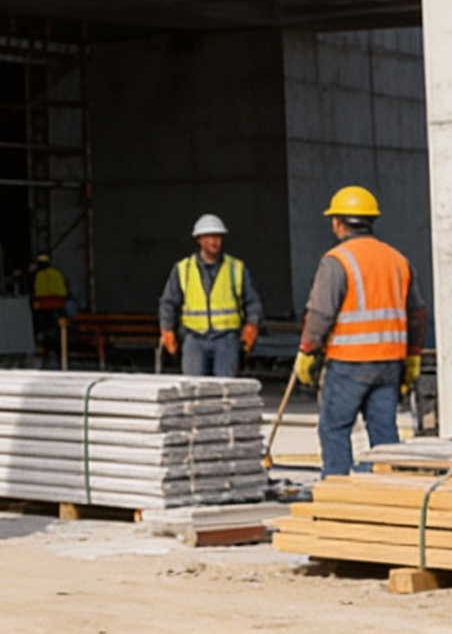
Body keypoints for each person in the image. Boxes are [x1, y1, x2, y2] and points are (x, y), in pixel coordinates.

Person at [293, 186, 428, 477]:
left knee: (335, 428)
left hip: (349, 363)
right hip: (389, 363)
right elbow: (417, 314)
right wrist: (413, 357)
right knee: (383, 432)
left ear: (338, 222)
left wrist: (307, 350)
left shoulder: (337, 260)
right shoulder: (397, 260)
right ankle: (386, 491)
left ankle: (338, 491)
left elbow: (320, 313)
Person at [158, 215, 261, 377]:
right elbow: (168, 302)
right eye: (210, 237)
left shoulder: (236, 268)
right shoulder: (183, 269)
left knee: (224, 390)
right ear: (199, 239)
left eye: (218, 236)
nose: (215, 241)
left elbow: (252, 301)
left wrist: (252, 324)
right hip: (194, 338)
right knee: (194, 389)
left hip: (226, 338)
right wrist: (167, 329)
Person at [30, 252, 70, 346]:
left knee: (47, 327)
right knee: (58, 328)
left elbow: (37, 291)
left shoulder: (39, 274)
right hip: (59, 304)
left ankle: (47, 345)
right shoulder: (56, 272)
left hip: (45, 305)